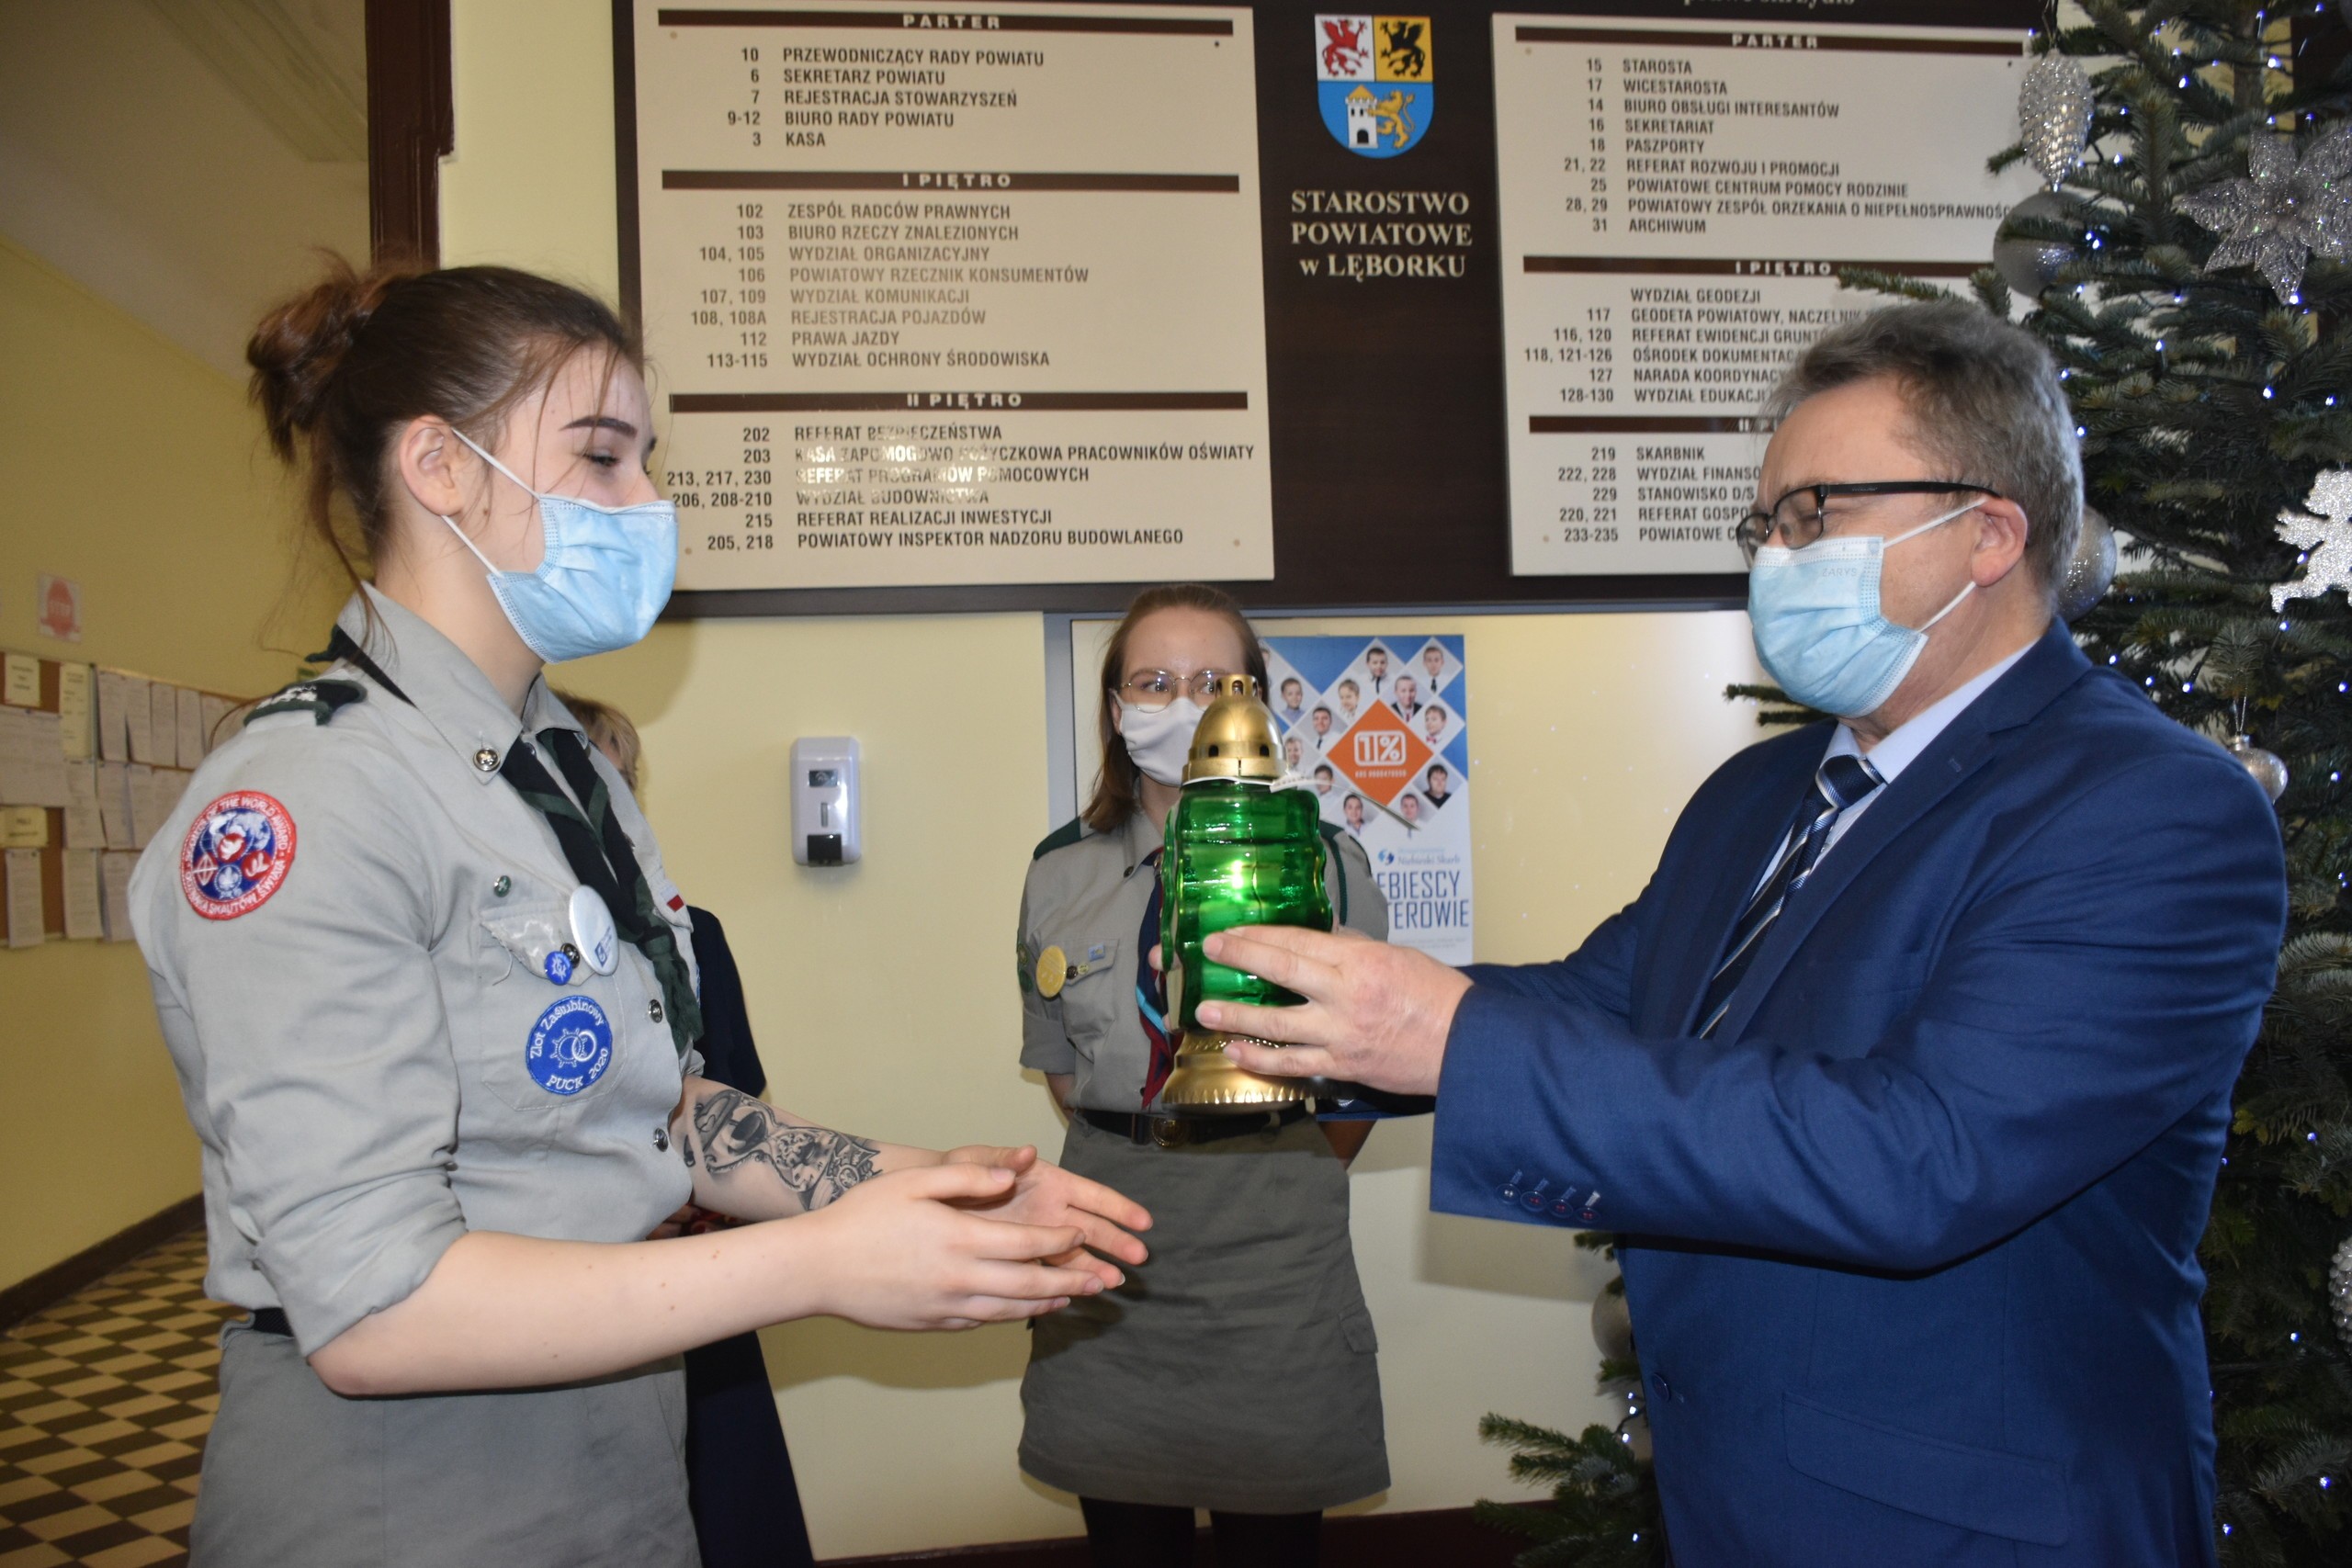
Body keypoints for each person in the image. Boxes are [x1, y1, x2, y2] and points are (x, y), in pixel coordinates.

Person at [1198, 303, 2287, 1566]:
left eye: (1815, 514)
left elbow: (1926, 1158)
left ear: (1990, 534)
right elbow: (1603, 1001)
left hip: (1979, 1528)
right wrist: (1304, 1010)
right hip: (1734, 1501)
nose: (1775, 558)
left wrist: (1450, 1040)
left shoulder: (2148, 805)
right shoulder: (1759, 792)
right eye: (1765, 523)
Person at [132, 259, 1149, 1567]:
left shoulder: (557, 767)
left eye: (646, 461)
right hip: (407, 1496)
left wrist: (929, 1183)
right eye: (603, 457)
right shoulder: (309, 794)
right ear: (439, 467)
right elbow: (375, 1308)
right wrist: (823, 1262)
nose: (648, 504)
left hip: (612, 1459)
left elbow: (648, 1109)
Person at [1017, 583, 1392, 1568]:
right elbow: (1064, 1069)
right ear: (1115, 709)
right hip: (1109, 1242)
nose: (1181, 703)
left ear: (1252, 702)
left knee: (1274, 1542)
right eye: (1153, 682)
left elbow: (1361, 1080)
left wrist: (1270, 1151)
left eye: (1212, 681)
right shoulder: (1059, 871)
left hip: (1274, 1249)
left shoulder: (1324, 862)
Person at [559, 691, 814, 1568]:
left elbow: (732, 1108)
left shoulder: (691, 937)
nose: (611, 804)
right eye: (588, 778)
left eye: (624, 783)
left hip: (692, 1284)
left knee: (732, 1511)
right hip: (561, 1292)